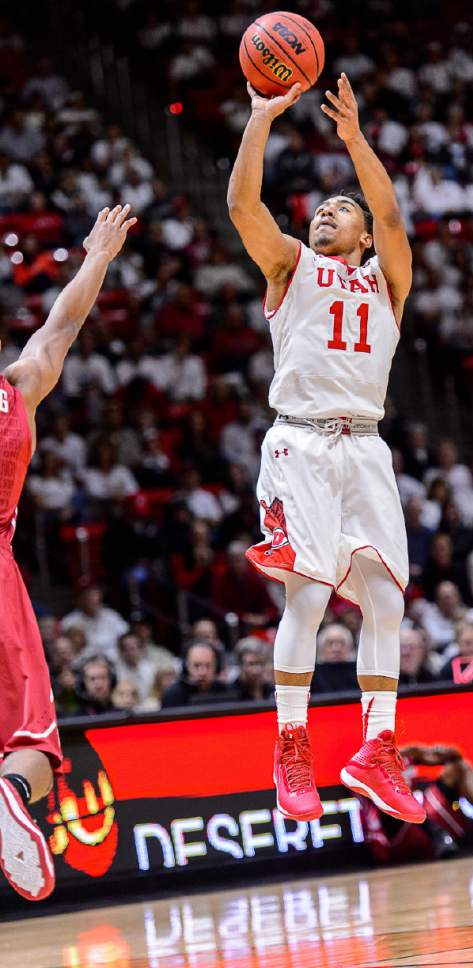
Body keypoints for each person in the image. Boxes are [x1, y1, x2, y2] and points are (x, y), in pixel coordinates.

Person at [228, 73, 423, 824]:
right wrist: (259, 121)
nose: (325, 215)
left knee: (384, 599)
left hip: (365, 448)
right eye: (319, 210)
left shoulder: (387, 281)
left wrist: (355, 141)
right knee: (307, 593)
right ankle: (292, 744)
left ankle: (377, 749)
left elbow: (395, 213)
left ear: (364, 236)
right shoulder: (291, 268)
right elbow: (243, 206)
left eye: (341, 210)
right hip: (301, 446)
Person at [0, 203, 136, 902]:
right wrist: (97, 258)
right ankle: (9, 794)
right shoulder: (16, 391)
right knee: (34, 752)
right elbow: (63, 326)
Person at [360, 743, 473, 864]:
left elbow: (455, 756)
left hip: (423, 818)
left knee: (461, 766)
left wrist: (443, 751)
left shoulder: (405, 754)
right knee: (393, 795)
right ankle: (437, 835)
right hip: (396, 837)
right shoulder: (364, 767)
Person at [160, 641, 232, 708]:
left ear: (217, 667)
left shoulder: (227, 691)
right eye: (196, 665)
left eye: (208, 665)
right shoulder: (173, 695)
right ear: (186, 667)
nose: (202, 672)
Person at [311, 623, 358, 693]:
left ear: (349, 647)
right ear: (321, 648)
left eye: (342, 643)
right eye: (330, 643)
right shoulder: (312, 676)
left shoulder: (358, 674)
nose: (336, 649)